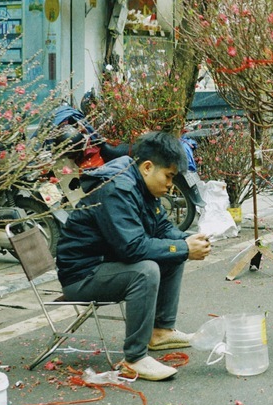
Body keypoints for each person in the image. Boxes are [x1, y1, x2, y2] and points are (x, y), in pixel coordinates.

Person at [56, 131, 212, 381]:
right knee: (147, 269)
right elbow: (132, 248)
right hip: (83, 276)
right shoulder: (117, 189)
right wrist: (184, 248)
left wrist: (186, 241)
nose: (171, 185)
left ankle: (160, 332)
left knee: (173, 251)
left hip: (106, 264)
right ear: (148, 167)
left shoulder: (141, 185)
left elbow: (162, 228)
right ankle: (135, 358)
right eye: (169, 176)